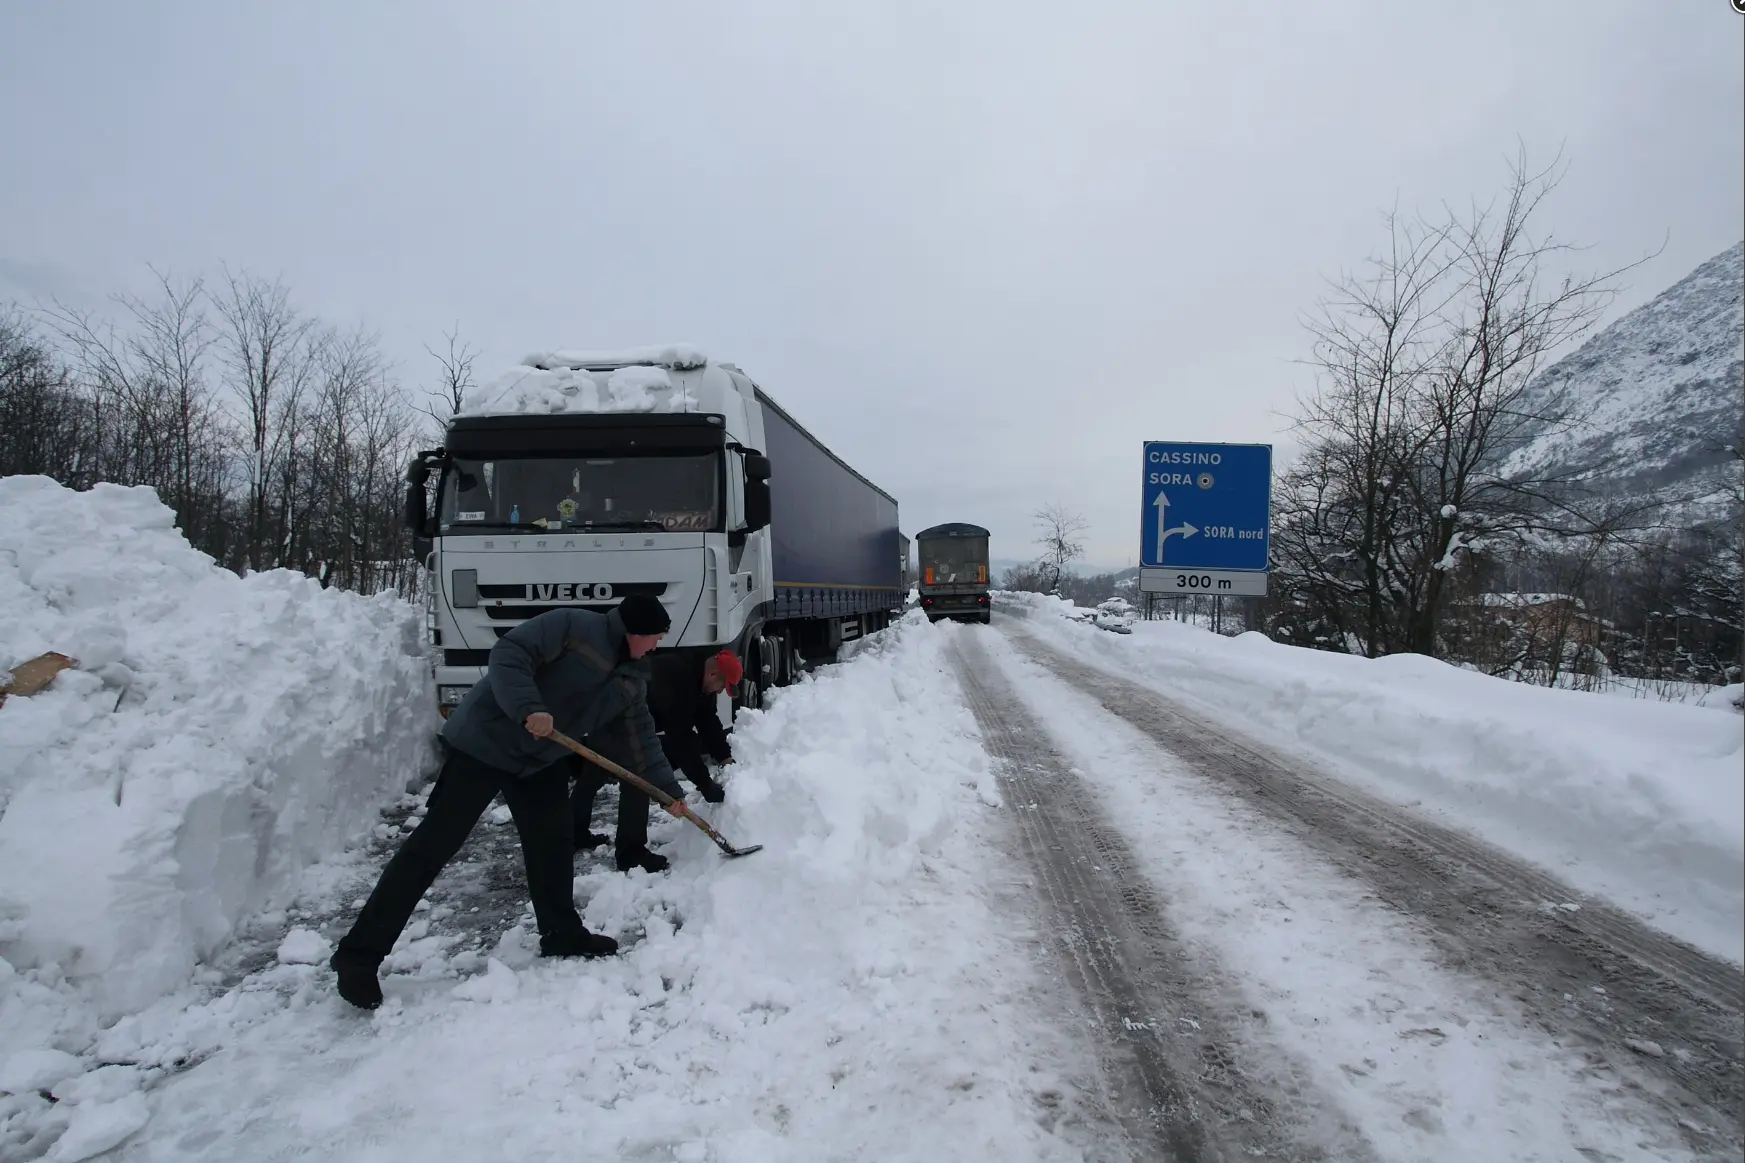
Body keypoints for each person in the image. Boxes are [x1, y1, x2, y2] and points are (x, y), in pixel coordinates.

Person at [328, 594, 688, 1010]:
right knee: (432, 847)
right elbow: (510, 653)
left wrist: (669, 793)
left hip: (539, 760)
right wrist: (529, 707)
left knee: (552, 847)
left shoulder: (631, 679)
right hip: (486, 743)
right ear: (635, 632)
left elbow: (640, 739)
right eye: (655, 638)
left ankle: (561, 933)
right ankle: (358, 956)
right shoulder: (572, 627)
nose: (657, 646)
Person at [571, 649, 742, 872]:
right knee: (639, 777)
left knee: (594, 773)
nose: (720, 691)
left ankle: (572, 834)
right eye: (722, 686)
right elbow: (680, 739)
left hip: (620, 711)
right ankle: (631, 853)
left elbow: (706, 719)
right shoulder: (680, 679)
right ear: (712, 675)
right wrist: (704, 783)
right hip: (615, 716)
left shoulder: (698, 680)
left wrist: (725, 756)